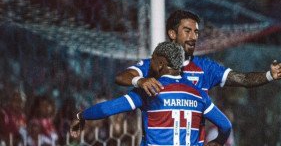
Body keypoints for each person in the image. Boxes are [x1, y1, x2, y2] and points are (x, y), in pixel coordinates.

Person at [70, 42, 231, 146]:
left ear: (160, 64)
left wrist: (81, 116)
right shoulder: (198, 94)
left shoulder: (150, 90)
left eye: (152, 60)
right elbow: (225, 125)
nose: (149, 64)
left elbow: (106, 109)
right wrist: (219, 141)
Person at [115, 9, 281, 97]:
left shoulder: (206, 68)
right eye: (187, 31)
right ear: (172, 34)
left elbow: (243, 79)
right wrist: (141, 80)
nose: (193, 37)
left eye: (196, 32)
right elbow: (122, 77)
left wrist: (269, 75)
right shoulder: (156, 65)